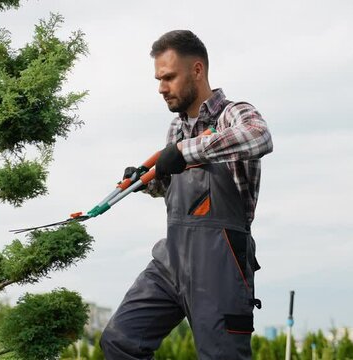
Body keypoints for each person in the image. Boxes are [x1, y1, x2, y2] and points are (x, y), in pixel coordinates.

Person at [100, 30, 273, 359]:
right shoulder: (177, 127)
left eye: (169, 77)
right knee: (120, 342)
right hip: (172, 259)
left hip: (220, 264)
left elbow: (259, 137)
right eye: (158, 79)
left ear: (197, 70)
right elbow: (175, 186)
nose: (161, 88)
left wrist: (186, 152)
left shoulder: (233, 113)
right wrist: (147, 180)